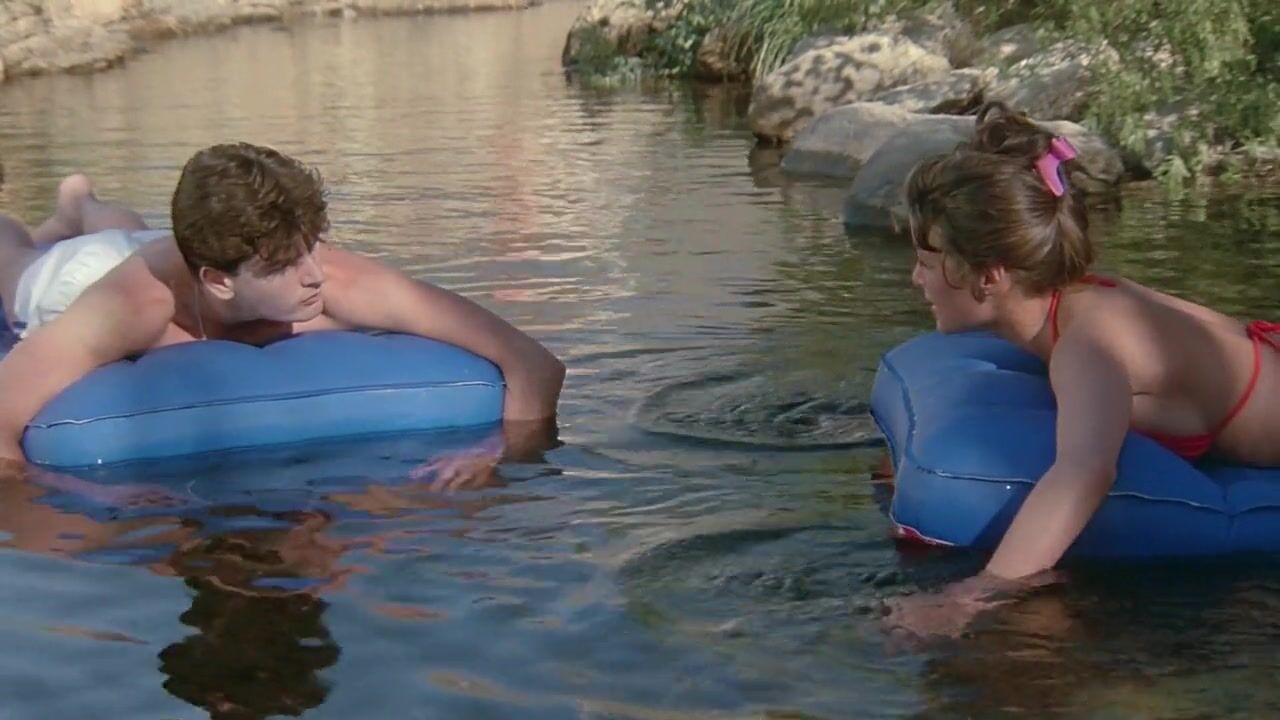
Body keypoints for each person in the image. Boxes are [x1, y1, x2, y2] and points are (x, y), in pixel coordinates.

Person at [884, 102, 1280, 638]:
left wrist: (973, 598)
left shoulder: (1085, 348)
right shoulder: (1074, 301)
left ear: (989, 277)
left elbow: (1083, 474)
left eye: (928, 263)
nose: (915, 279)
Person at [0, 142, 566, 477]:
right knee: (16, 258)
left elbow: (534, 364)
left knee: (123, 226)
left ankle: (80, 200)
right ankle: (67, 211)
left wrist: (496, 457)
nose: (315, 273)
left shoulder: (331, 276)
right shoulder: (130, 307)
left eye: (312, 247)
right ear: (219, 282)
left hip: (171, 250)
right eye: (285, 266)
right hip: (77, 279)